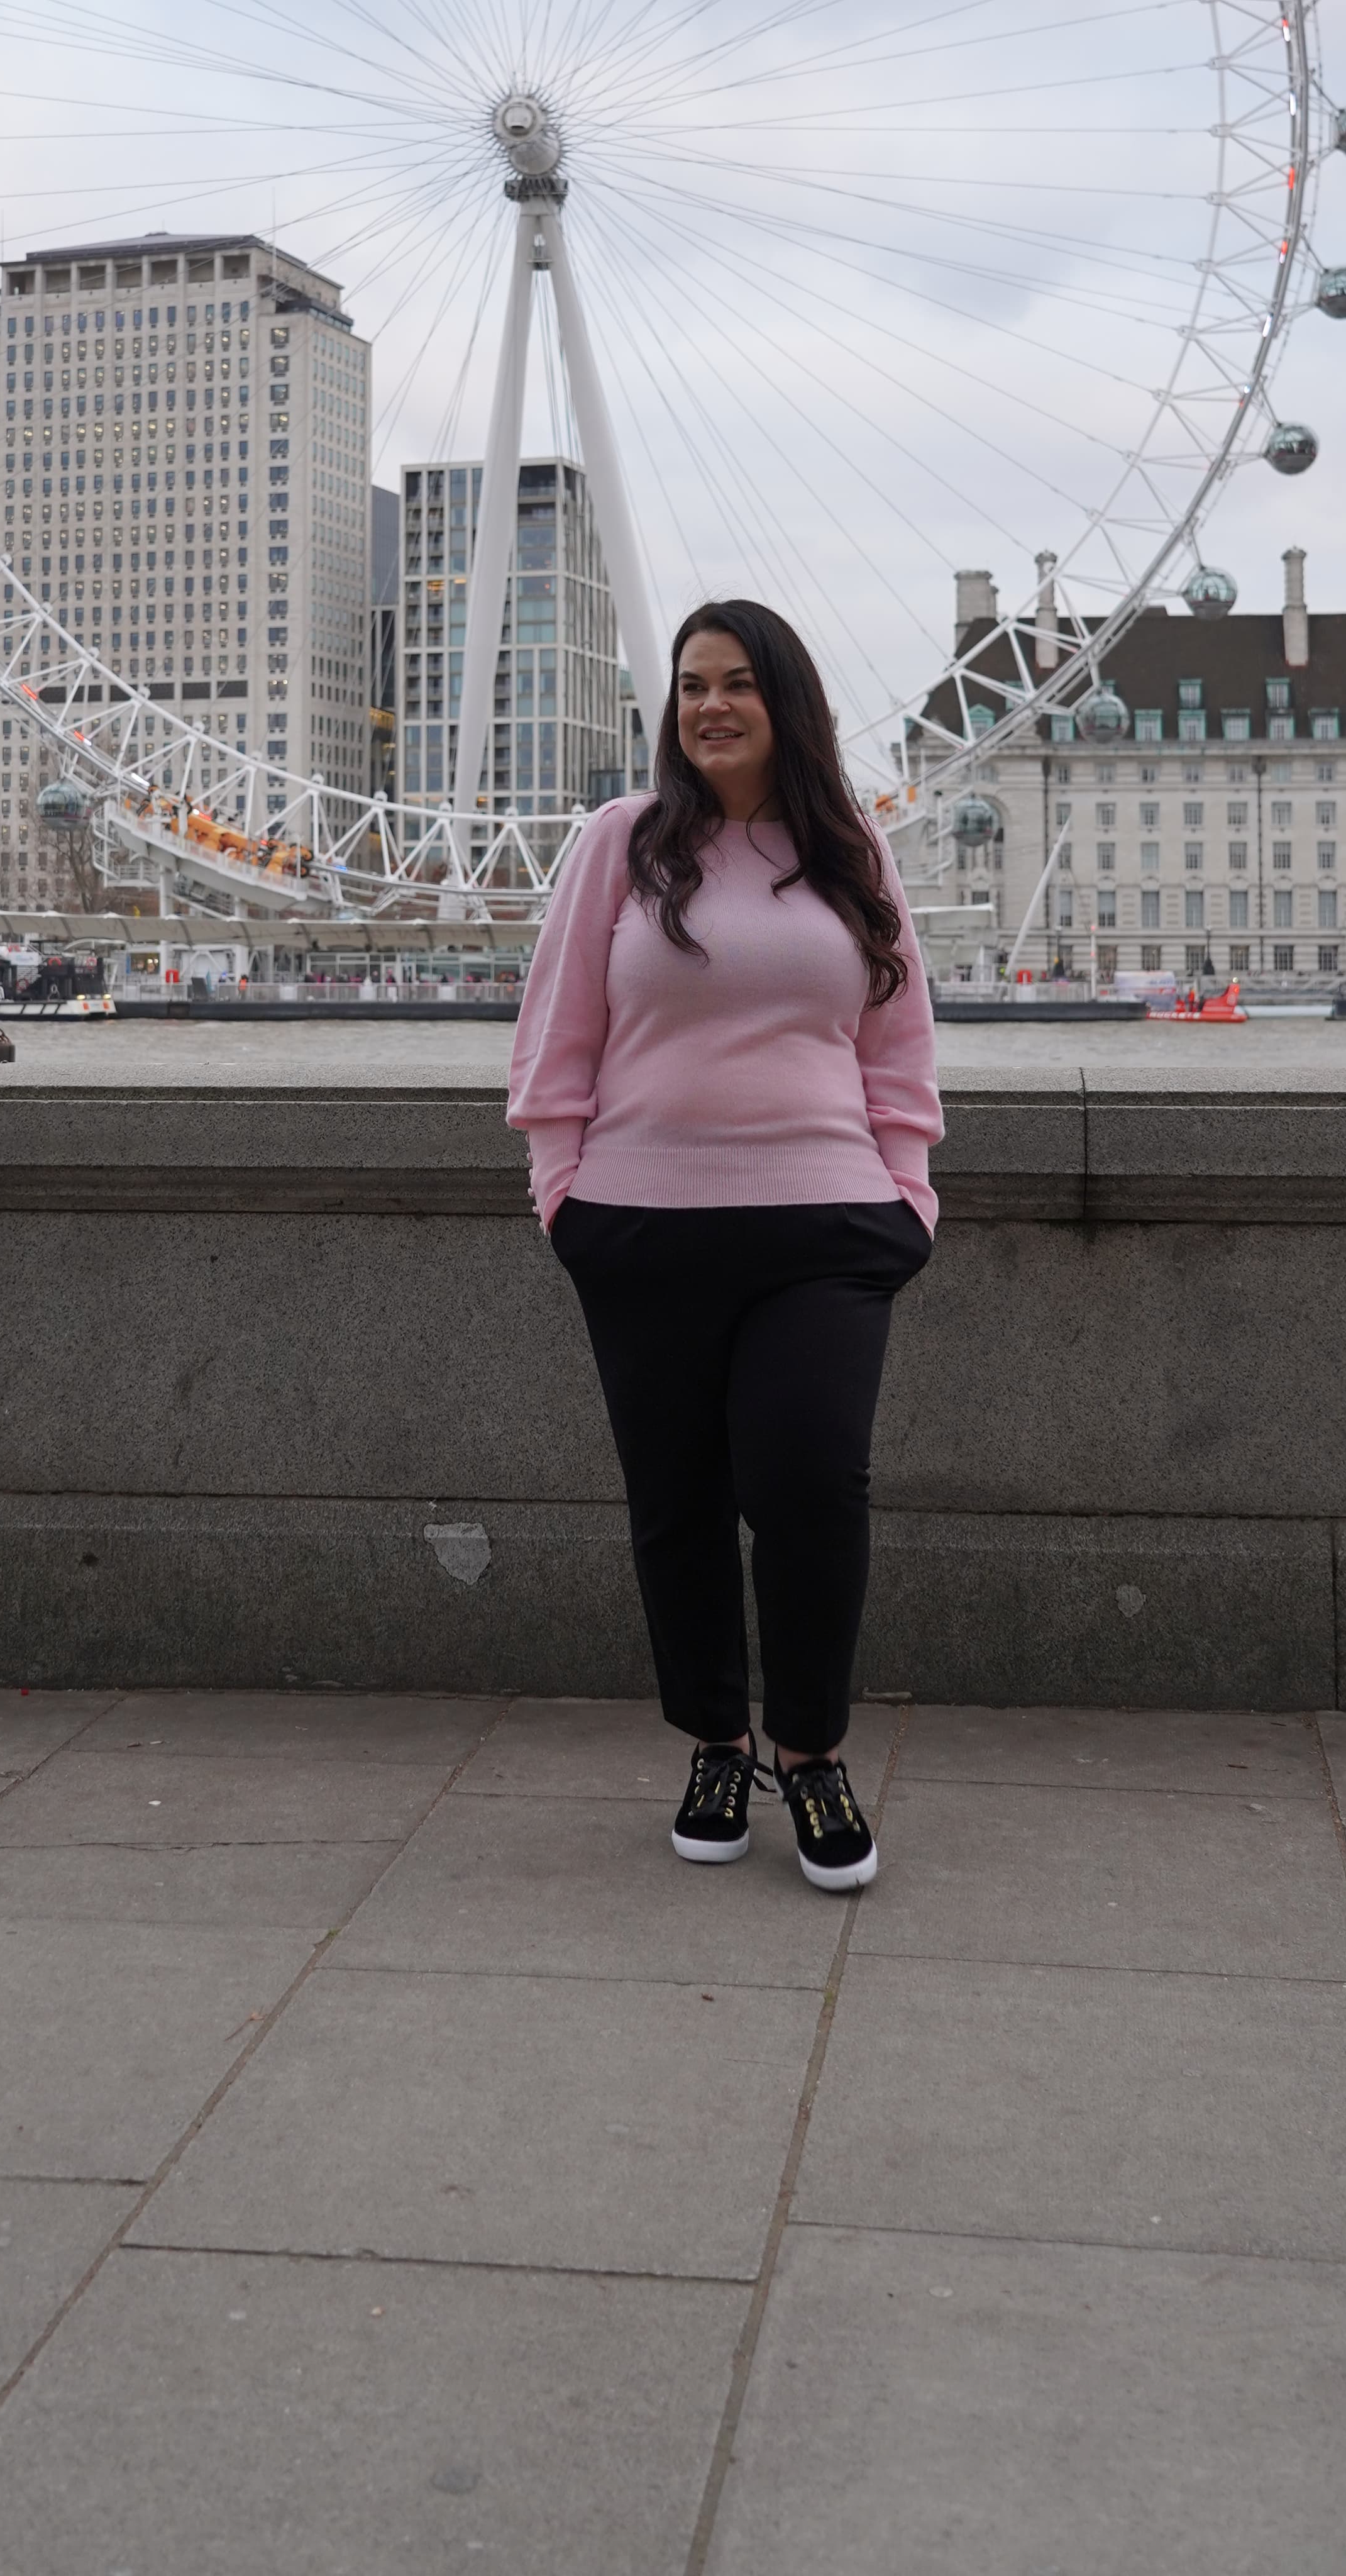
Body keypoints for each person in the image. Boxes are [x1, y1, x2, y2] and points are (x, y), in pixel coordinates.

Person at [508, 599, 942, 1891]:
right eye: (692, 684)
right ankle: (715, 1741)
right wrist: (562, 1194)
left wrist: (905, 1196)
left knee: (811, 1490)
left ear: (784, 700)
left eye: (738, 683)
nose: (709, 705)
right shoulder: (620, 845)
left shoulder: (848, 846)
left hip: (825, 1223)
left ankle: (810, 1756)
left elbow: (899, 1036)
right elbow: (557, 1033)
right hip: (640, 1222)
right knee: (677, 1506)